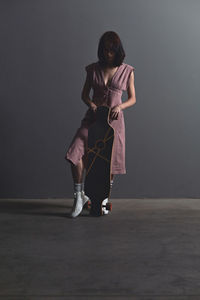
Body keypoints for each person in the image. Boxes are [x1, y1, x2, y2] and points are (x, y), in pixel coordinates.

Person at [65, 31, 136, 217]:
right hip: (93, 120)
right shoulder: (93, 69)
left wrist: (120, 106)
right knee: (74, 153)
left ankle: (104, 198)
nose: (108, 54)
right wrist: (91, 104)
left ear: (117, 50)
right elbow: (84, 95)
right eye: (105, 50)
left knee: (109, 161)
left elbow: (133, 98)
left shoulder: (127, 70)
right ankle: (79, 196)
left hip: (113, 124)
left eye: (111, 51)